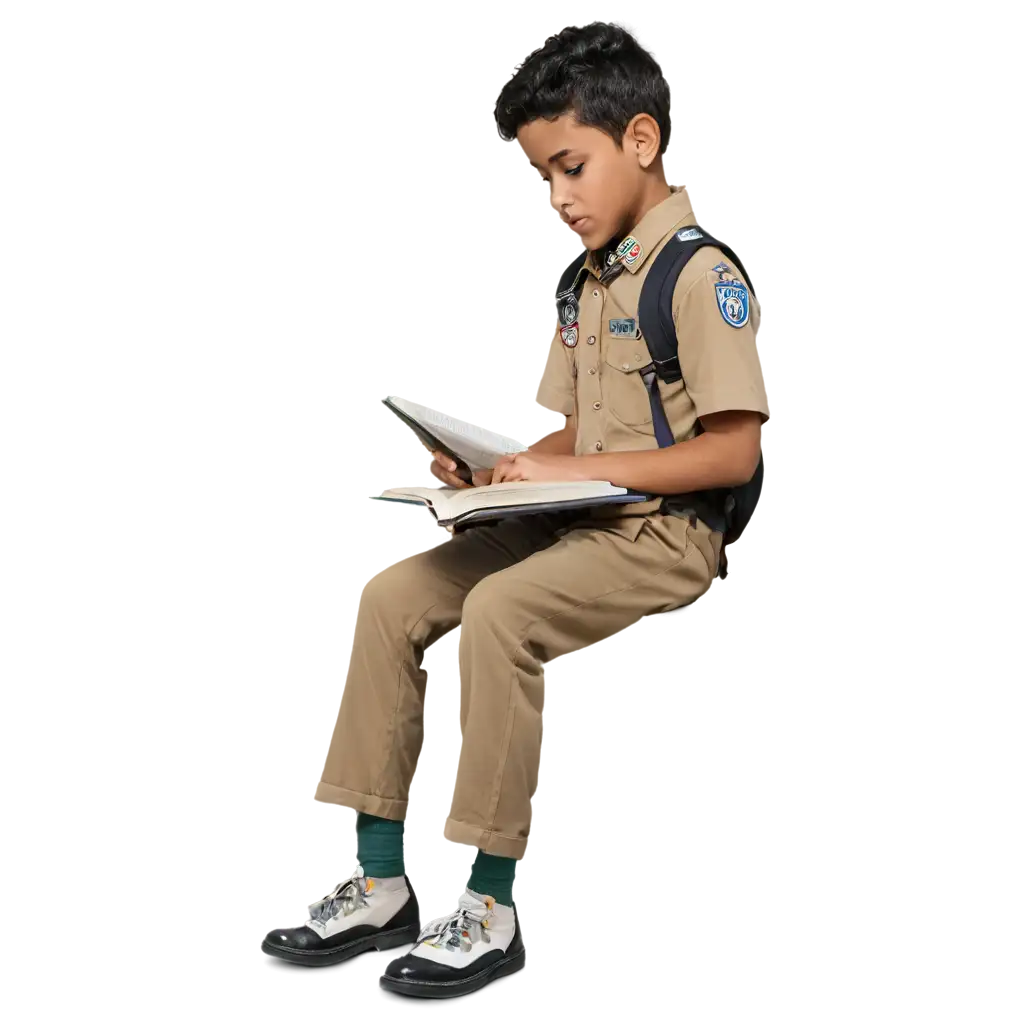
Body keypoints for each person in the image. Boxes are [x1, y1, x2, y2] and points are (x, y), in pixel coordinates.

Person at [260, 17, 770, 1000]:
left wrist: (579, 473)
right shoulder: (582, 284)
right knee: (390, 593)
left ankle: (484, 905)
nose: (558, 199)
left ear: (641, 141)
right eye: (541, 179)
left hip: (663, 534)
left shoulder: (697, 274)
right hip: (582, 512)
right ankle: (376, 880)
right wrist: (495, 470)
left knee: (498, 611)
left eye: (571, 168)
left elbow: (734, 448)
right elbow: (574, 435)